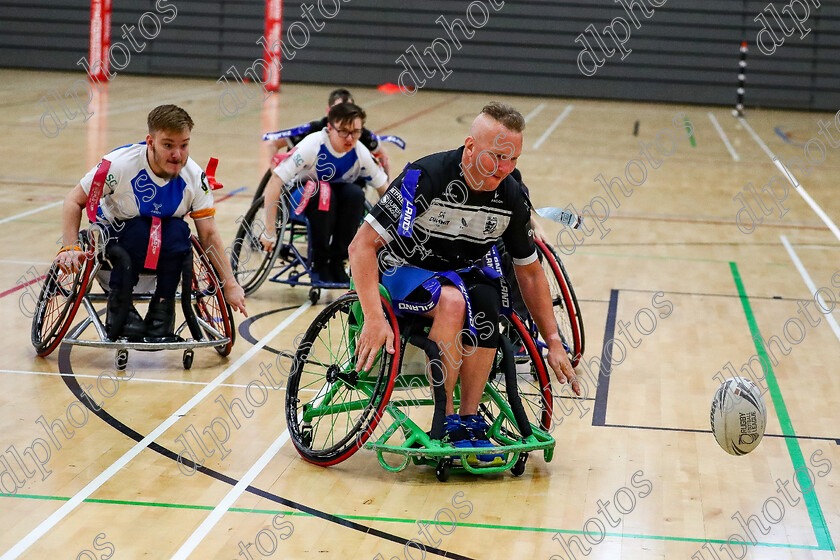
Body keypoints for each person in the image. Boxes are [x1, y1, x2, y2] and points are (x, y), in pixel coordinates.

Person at [348, 102, 579, 464]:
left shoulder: (511, 196)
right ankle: (445, 417)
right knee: (453, 300)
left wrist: (552, 340)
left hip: (457, 272)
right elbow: (360, 246)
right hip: (400, 269)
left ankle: (468, 420)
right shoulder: (426, 177)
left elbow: (530, 272)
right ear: (470, 147)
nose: (503, 169)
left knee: (490, 301)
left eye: (513, 159)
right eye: (496, 157)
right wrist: (374, 317)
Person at [56, 104, 247, 341]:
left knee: (179, 230)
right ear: (150, 142)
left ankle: (162, 311)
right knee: (138, 228)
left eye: (184, 145)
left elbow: (208, 235)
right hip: (113, 260)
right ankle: (120, 309)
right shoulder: (117, 165)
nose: (177, 154)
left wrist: (229, 283)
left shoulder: (195, 177)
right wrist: (71, 248)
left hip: (165, 263)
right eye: (168, 145)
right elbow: (74, 201)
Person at [261, 102, 389, 284]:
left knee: (355, 194)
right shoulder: (312, 145)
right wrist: (269, 231)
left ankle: (338, 261)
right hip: (300, 197)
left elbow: (385, 189)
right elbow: (275, 181)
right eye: (344, 131)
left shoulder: (360, 152)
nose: (350, 138)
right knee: (323, 192)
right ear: (330, 128)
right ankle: (319, 263)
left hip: (336, 199)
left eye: (356, 132)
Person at [270, 88, 391, 178]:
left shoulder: (362, 133)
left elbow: (382, 154)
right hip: (311, 180)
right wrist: (276, 176)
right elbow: (274, 144)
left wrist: (387, 181)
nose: (344, 114)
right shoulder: (313, 129)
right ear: (328, 111)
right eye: (338, 109)